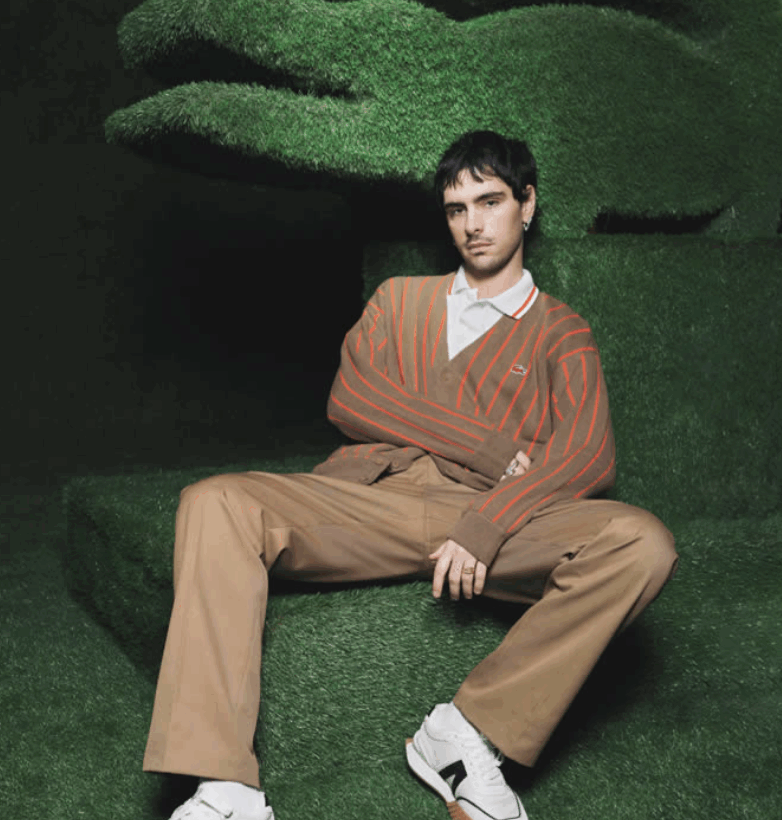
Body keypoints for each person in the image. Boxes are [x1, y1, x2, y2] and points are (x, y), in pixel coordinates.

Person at [147, 130, 679, 820]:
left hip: (495, 519)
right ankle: (226, 790)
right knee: (215, 500)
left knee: (641, 542)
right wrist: (487, 448)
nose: (473, 223)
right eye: (457, 209)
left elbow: (587, 454)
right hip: (374, 501)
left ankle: (467, 731)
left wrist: (489, 519)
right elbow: (352, 398)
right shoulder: (399, 300)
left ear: (527, 204)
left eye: (490, 202)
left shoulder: (562, 330)